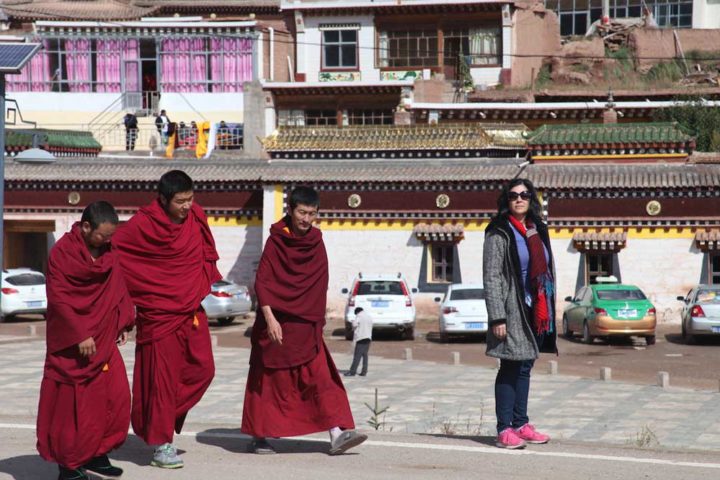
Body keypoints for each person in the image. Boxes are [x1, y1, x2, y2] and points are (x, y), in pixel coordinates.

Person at [241, 186, 367, 455]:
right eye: (302, 213)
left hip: (305, 324)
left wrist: (315, 319)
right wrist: (270, 319)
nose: (306, 219)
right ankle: (260, 436)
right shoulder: (276, 240)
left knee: (321, 378)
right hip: (275, 325)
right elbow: (263, 281)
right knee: (269, 382)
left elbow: (319, 283)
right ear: (290, 210)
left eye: (312, 214)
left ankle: (337, 433)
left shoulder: (315, 242)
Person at [113, 170, 222, 468]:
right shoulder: (143, 224)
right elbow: (115, 252)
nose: (187, 206)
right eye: (180, 201)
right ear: (162, 199)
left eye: (190, 199)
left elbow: (203, 253)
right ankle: (162, 445)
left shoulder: (195, 216)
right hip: (159, 314)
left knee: (204, 369)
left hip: (190, 310)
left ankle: (157, 417)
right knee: (162, 383)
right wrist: (122, 313)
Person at [37, 201, 135, 480]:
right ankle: (68, 465)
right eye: (103, 236)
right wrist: (80, 333)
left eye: (110, 236)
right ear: (85, 226)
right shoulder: (62, 254)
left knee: (114, 400)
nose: (107, 241)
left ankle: (95, 453)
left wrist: (122, 320)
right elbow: (59, 298)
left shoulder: (109, 252)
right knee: (73, 408)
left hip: (104, 339)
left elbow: (118, 286)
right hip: (73, 345)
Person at [483, 178, 557, 449]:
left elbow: (546, 269)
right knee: (510, 366)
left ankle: (520, 423)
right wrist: (497, 316)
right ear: (507, 199)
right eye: (513, 195)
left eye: (525, 194)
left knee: (525, 365)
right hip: (511, 308)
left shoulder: (538, 229)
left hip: (535, 307)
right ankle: (504, 428)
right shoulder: (499, 231)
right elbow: (492, 276)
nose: (519, 199)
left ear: (531, 199)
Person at [344, 307, 373, 377]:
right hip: (368, 338)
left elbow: (354, 325)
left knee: (357, 356)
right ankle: (364, 371)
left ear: (357, 312)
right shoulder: (369, 317)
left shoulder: (359, 316)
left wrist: (353, 322)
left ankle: (352, 371)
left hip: (361, 338)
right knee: (365, 355)